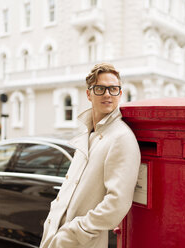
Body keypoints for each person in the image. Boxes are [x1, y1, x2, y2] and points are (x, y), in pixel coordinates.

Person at [40, 63, 141, 248]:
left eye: (113, 89)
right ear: (89, 94)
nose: (107, 94)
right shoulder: (88, 134)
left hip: (77, 242)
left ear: (120, 93)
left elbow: (117, 203)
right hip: (55, 235)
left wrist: (74, 232)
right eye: (100, 88)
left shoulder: (122, 137)